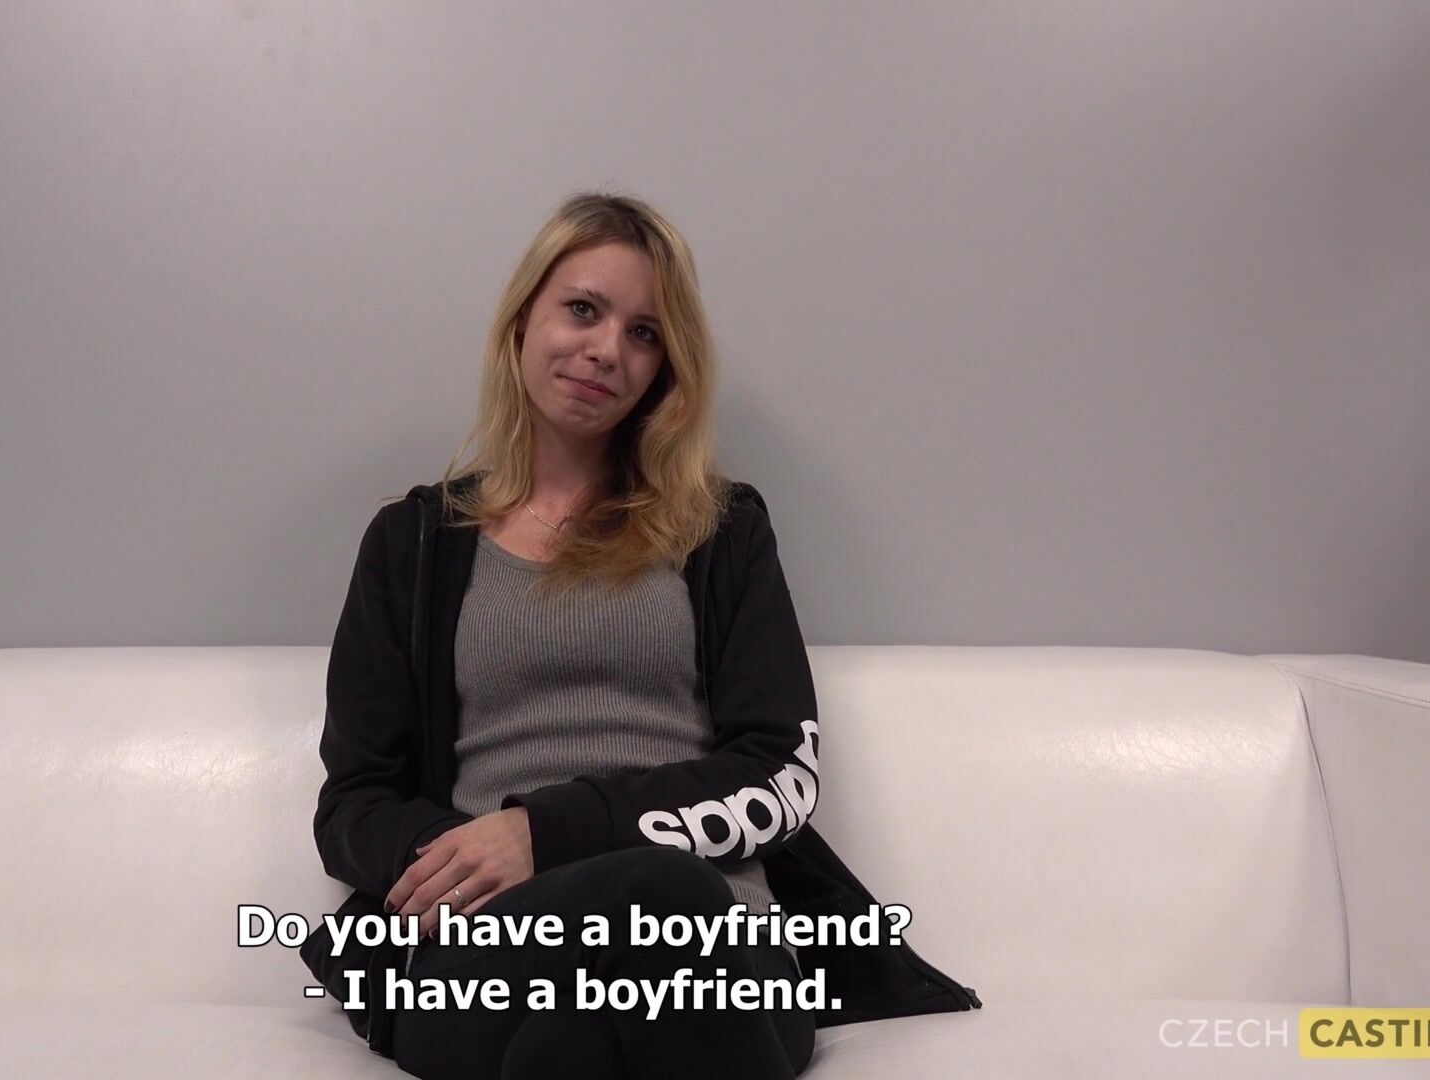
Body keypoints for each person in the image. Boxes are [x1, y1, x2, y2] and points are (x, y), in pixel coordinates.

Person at [300, 191, 980, 1080]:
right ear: (522, 320)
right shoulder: (414, 544)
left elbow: (781, 770)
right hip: (495, 948)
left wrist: (549, 832)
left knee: (635, 939)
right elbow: (353, 802)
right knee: (590, 999)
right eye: (582, 309)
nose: (607, 349)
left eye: (644, 333)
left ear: (665, 368)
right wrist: (470, 861)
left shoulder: (720, 531)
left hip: (716, 944)